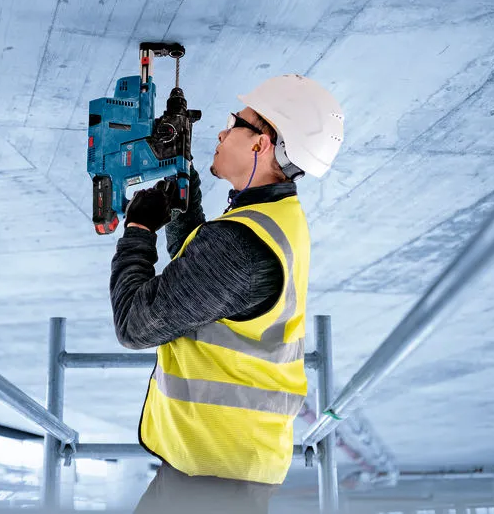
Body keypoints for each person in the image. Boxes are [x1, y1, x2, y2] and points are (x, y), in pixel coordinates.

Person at [109, 74, 345, 514]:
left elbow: (135, 325)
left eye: (236, 122)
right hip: (223, 468)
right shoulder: (272, 215)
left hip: (213, 481)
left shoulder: (242, 245)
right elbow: (200, 275)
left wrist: (138, 231)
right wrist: (181, 176)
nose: (222, 131)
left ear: (262, 145)